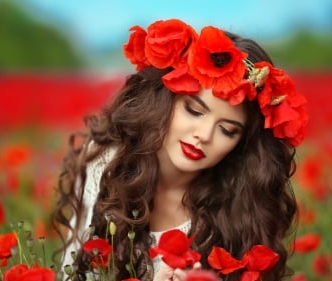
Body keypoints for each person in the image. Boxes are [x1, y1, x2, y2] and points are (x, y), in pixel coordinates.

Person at [52, 18, 308, 281]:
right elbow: (73, 274)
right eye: (194, 110)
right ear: (166, 99)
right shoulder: (106, 163)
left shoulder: (242, 206)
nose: (203, 136)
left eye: (227, 130)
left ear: (242, 144)